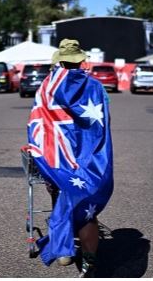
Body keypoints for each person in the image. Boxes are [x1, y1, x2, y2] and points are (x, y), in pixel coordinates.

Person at [26, 39, 114, 277]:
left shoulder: (46, 87)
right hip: (87, 160)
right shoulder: (95, 87)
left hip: (56, 159)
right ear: (80, 60)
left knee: (60, 192)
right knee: (88, 210)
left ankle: (64, 249)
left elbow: (37, 122)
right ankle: (89, 259)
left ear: (59, 60)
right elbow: (104, 112)